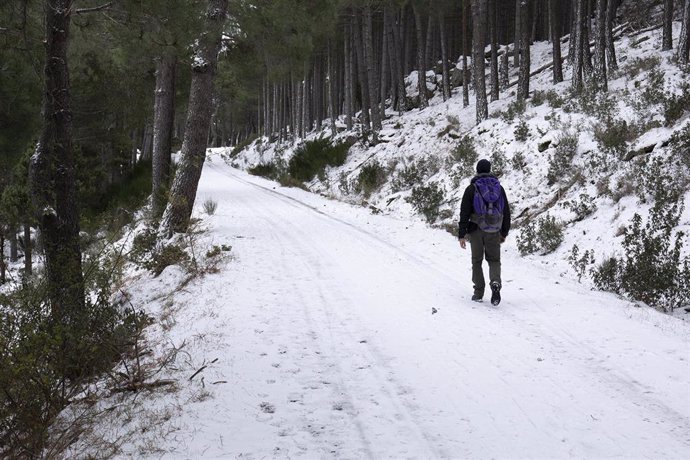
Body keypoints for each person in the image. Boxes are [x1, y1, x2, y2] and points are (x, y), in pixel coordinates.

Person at [458, 159, 511, 305]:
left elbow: (464, 212)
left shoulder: (472, 188)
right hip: (494, 230)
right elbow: (506, 211)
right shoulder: (499, 188)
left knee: (477, 261)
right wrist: (504, 232)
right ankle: (495, 282)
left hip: (475, 229)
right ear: (490, 169)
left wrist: (461, 234)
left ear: (477, 170)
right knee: (494, 260)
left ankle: (478, 292)